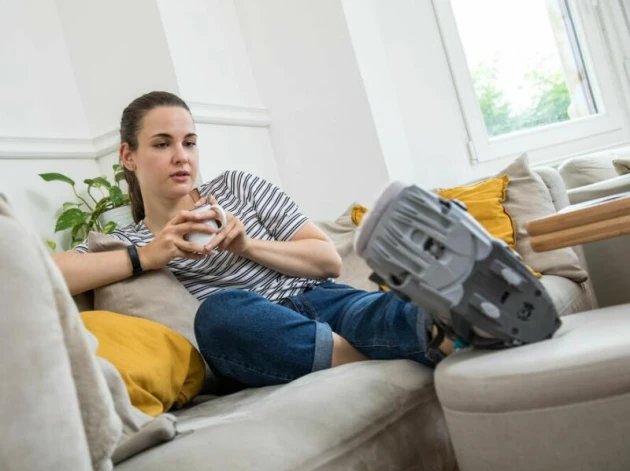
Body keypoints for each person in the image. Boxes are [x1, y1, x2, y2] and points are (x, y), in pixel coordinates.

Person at [54, 91, 445, 391]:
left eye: (189, 142)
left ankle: (453, 325)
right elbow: (48, 274)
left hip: (322, 299)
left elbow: (329, 260)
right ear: (128, 156)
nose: (182, 157)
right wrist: (148, 255)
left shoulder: (238, 187)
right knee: (219, 314)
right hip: (257, 331)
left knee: (382, 308)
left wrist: (247, 245)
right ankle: (383, 351)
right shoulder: (128, 241)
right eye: (162, 144)